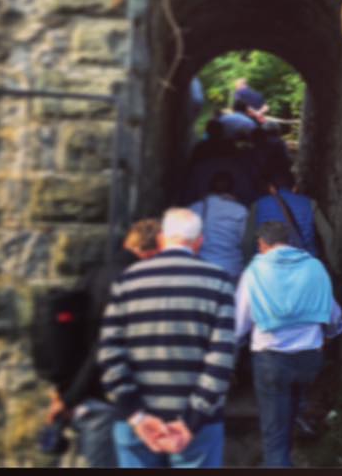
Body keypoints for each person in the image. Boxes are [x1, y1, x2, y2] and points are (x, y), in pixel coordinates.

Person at [98, 208, 236, 468]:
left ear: (161, 239)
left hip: (137, 427)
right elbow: (221, 361)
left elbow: (109, 354)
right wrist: (190, 421)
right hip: (198, 428)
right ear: (199, 242)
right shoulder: (218, 282)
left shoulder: (128, 281)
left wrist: (137, 416)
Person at [44, 219, 161, 467]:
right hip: (109, 394)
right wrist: (70, 398)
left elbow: (68, 335)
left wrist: (65, 392)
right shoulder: (134, 282)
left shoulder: (94, 274)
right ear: (152, 251)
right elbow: (104, 348)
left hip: (85, 392)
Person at [235, 221, 342, 467]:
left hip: (271, 358)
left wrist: (234, 346)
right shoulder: (314, 267)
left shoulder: (255, 271)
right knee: (292, 412)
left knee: (274, 430)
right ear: (288, 241)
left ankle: (278, 463)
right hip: (308, 358)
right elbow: (333, 316)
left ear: (262, 244)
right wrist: (329, 334)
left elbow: (240, 320)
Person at [243, 166, 334, 263]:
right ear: (294, 186)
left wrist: (250, 266)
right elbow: (328, 235)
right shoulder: (309, 204)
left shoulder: (257, 206)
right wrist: (336, 266)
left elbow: (248, 242)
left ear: (271, 187)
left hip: (270, 267)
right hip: (305, 264)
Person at [189, 171, 249, 282]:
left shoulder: (194, 208)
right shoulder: (240, 210)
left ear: (209, 188)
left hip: (201, 268)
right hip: (231, 269)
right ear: (232, 189)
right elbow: (244, 241)